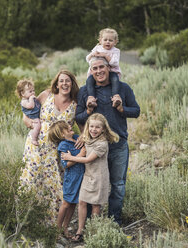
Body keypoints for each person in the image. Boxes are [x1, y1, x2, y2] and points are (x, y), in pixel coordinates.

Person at [75, 56, 140, 226]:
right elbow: (78, 117)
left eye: (101, 67)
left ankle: (114, 222)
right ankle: (90, 224)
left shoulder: (123, 88)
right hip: (93, 149)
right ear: (91, 71)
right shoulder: (85, 91)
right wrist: (88, 110)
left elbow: (136, 111)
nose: (98, 71)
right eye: (94, 68)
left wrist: (121, 108)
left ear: (108, 68)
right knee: (91, 184)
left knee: (117, 185)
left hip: (118, 146)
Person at [19, 70, 80, 225]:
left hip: (58, 150)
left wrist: (84, 138)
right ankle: (27, 220)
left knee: (55, 183)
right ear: (57, 83)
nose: (65, 84)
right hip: (37, 145)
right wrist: (28, 122)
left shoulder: (75, 104)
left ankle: (52, 223)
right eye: (62, 81)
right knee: (33, 179)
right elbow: (28, 112)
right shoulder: (46, 95)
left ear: (72, 83)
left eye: (68, 81)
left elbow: (82, 125)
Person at [61, 113, 119, 242]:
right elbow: (75, 140)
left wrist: (70, 158)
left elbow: (87, 159)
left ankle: (94, 232)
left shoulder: (102, 144)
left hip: (99, 178)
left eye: (97, 127)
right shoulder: (87, 138)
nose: (94, 129)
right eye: (91, 126)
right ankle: (80, 231)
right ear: (87, 127)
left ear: (103, 129)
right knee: (82, 202)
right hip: (87, 176)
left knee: (95, 206)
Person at [48, 120, 86, 238]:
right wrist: (81, 155)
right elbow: (66, 164)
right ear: (62, 134)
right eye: (66, 127)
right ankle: (57, 229)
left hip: (82, 175)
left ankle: (65, 228)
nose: (70, 126)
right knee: (66, 203)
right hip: (72, 177)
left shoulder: (76, 137)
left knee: (74, 203)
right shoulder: (63, 145)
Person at [86, 28, 122, 109]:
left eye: (111, 40)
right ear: (100, 41)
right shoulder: (97, 48)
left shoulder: (116, 51)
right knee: (89, 81)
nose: (108, 42)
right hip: (97, 72)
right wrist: (92, 55)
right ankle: (91, 98)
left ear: (115, 42)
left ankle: (115, 98)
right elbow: (88, 59)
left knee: (115, 80)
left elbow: (114, 63)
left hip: (112, 71)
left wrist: (105, 55)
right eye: (105, 40)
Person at [15, 79, 41, 145]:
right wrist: (31, 99)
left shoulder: (29, 98)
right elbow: (30, 106)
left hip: (36, 115)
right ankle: (34, 139)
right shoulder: (24, 101)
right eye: (30, 91)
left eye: (33, 91)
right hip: (33, 117)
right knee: (37, 126)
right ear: (22, 93)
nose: (33, 93)